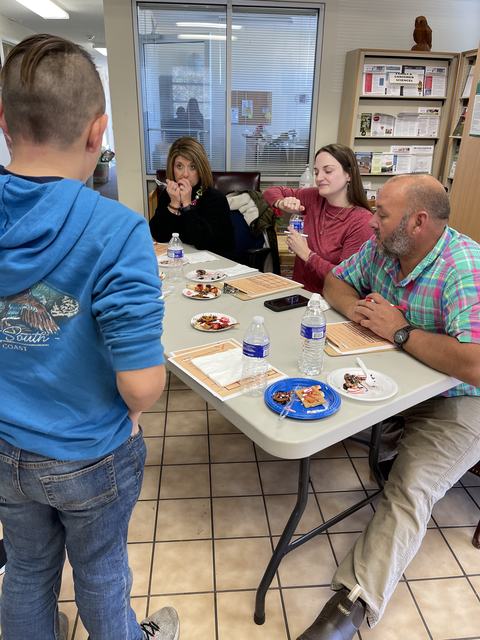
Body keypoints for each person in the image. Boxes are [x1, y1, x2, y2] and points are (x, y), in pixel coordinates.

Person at [0, 34, 179, 640]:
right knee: (100, 574)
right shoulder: (118, 230)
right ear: (98, 132)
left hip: (3, 447)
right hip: (89, 452)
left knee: (26, 570)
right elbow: (143, 384)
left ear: (4, 123)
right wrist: (132, 412)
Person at [297, 174, 480, 640]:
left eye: (381, 212)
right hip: (395, 384)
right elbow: (336, 280)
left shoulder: (464, 266)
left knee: (409, 489)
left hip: (460, 400)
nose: (371, 220)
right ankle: (389, 445)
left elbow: (475, 364)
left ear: (418, 222)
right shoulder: (384, 247)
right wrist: (362, 314)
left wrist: (399, 332)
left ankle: (349, 607)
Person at [263, 143, 373, 292]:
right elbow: (271, 191)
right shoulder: (313, 197)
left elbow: (345, 280)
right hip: (301, 294)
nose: (319, 178)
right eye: (316, 172)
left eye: (328, 171)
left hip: (330, 304)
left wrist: (307, 254)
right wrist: (281, 203)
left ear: (349, 174)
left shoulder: (361, 221)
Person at [149, 136, 234, 257]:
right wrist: (173, 205)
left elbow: (203, 242)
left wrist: (187, 206)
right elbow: (159, 236)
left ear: (200, 169)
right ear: (172, 168)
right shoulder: (169, 194)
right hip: (182, 260)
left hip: (215, 264)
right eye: (179, 166)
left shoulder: (215, 198)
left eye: (192, 167)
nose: (185, 174)